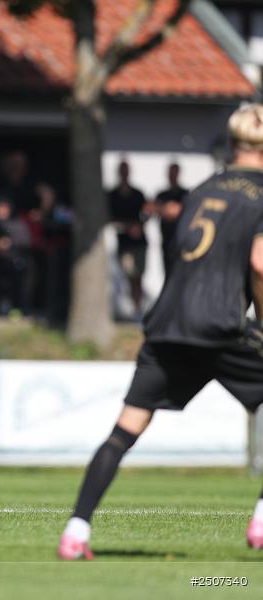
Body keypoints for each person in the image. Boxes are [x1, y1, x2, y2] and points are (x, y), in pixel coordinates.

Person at [58, 104, 263, 560]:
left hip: (168, 322)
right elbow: (259, 263)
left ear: (232, 144)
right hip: (221, 324)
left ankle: (76, 532)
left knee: (124, 430)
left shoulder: (202, 189)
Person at [108, 159, 152, 318]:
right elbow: (110, 219)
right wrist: (128, 227)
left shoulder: (138, 194)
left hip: (140, 244)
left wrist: (139, 226)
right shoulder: (112, 195)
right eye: (122, 170)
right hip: (124, 244)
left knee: (138, 277)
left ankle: (138, 309)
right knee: (129, 276)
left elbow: (147, 213)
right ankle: (134, 307)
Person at [155, 162, 188, 276]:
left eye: (174, 173)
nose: (172, 176)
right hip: (167, 242)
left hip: (182, 243)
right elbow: (153, 210)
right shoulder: (162, 195)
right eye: (170, 173)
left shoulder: (185, 195)